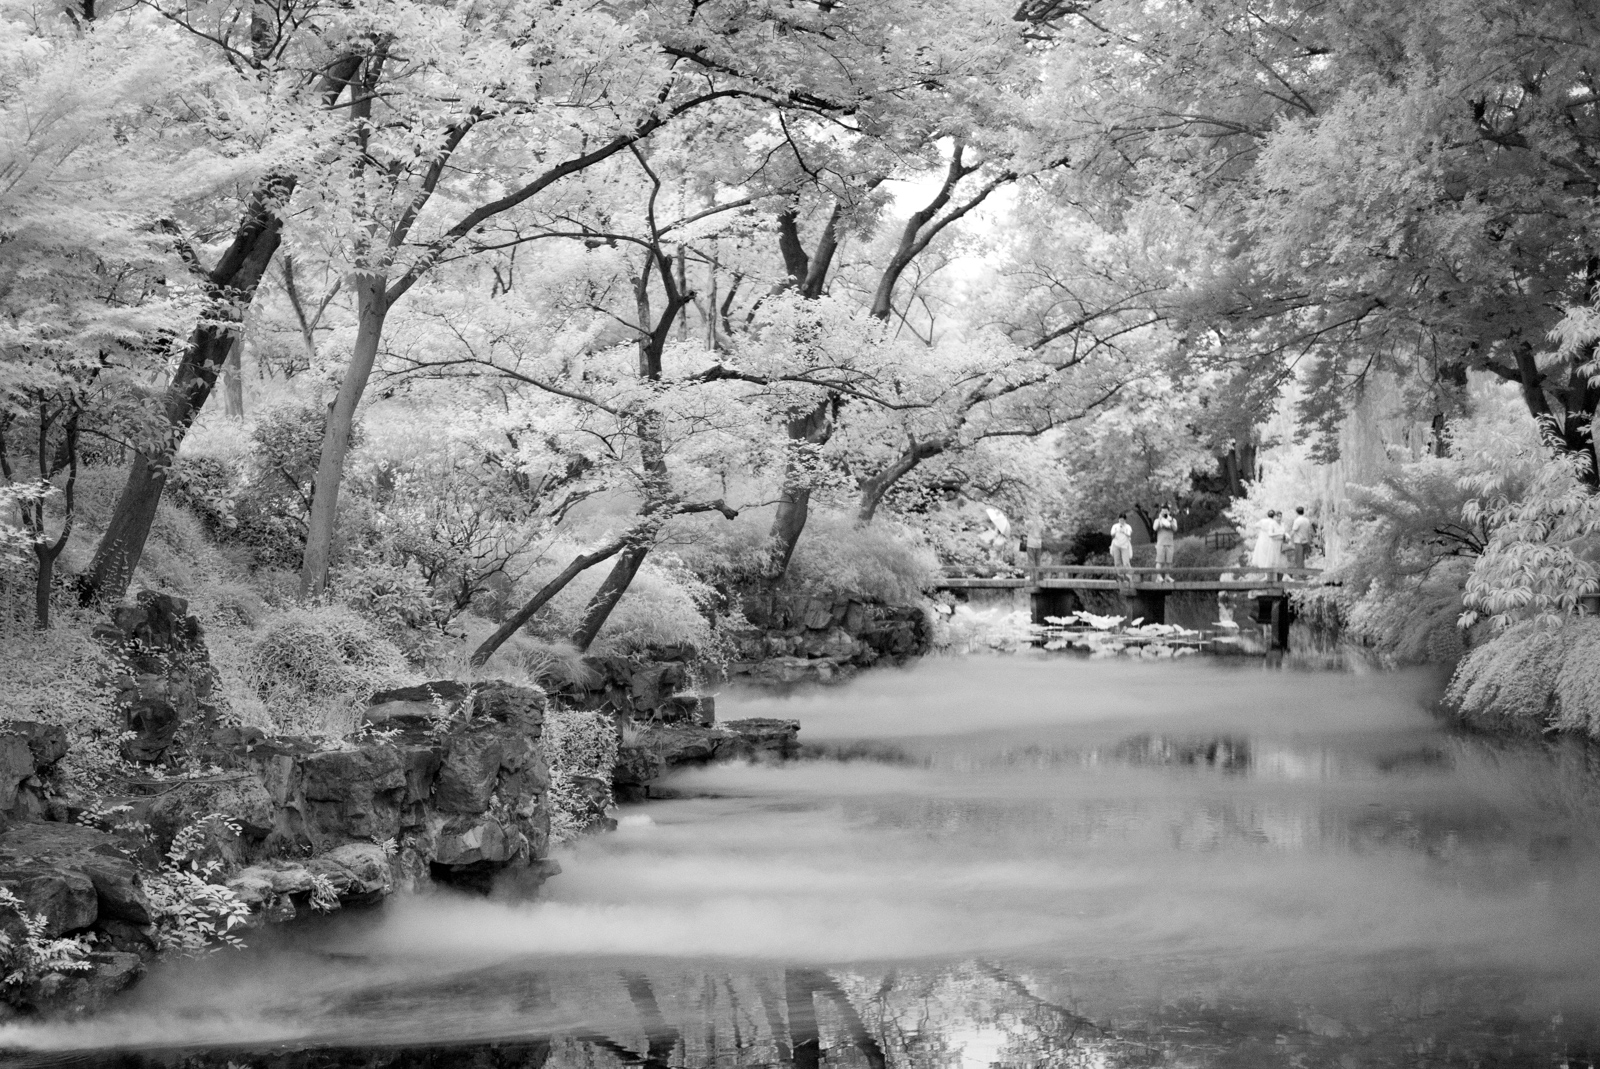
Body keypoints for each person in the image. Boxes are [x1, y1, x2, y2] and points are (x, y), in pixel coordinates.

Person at [1152, 505, 1178, 581]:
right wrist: (1160, 519)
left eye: (1166, 511)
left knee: (1169, 562)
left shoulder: (1173, 520)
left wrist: (1170, 520)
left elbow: (1175, 529)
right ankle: (1158, 576)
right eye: (1163, 511)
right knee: (1159, 561)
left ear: (1169, 512)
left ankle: (1167, 576)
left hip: (1170, 543)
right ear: (1161, 512)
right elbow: (1155, 528)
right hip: (1160, 543)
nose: (1164, 513)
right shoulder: (1157, 520)